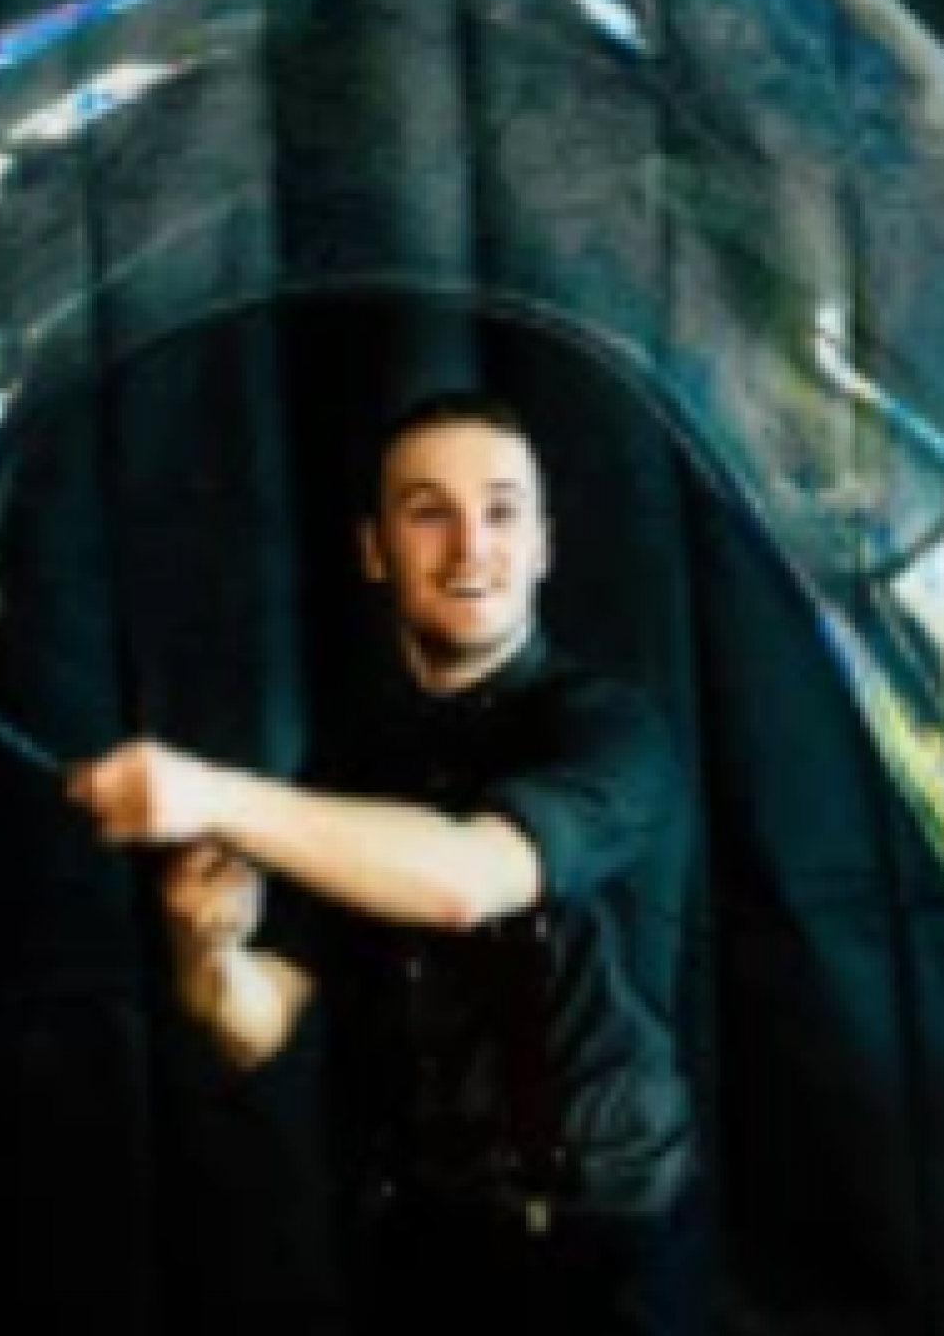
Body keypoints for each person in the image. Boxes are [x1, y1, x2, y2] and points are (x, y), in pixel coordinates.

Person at [64, 386, 704, 1335]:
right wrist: (209, 945)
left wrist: (216, 795)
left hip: (599, 1248)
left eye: (501, 511)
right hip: (418, 1245)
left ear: (543, 545)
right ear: (374, 549)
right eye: (428, 512)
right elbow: (252, 1026)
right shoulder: (356, 760)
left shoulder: (613, 731)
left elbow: (466, 881)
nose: (470, 546)